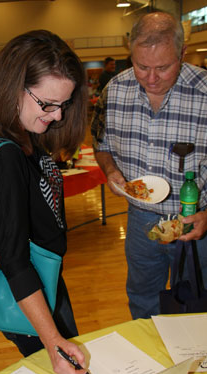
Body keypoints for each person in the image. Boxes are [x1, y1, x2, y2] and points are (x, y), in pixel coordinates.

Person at [0, 30, 88, 374]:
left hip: (41, 278)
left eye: (63, 104)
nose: (58, 116)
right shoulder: (4, 153)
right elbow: (13, 261)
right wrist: (52, 341)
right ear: (13, 86)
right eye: (47, 104)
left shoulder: (11, 132)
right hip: (29, 291)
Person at [92, 12, 207, 319]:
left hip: (195, 222)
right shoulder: (114, 91)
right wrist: (111, 170)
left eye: (163, 67)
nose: (151, 78)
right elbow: (101, 145)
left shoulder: (205, 92)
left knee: (196, 303)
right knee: (142, 300)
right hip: (141, 222)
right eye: (141, 66)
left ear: (182, 54)